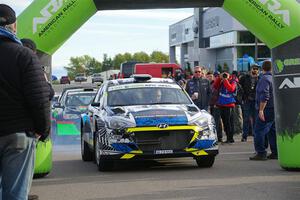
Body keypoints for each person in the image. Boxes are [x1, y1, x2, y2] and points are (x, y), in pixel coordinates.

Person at [0, 4, 51, 200]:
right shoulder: (24, 55)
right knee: (15, 194)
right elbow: (38, 98)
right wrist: (43, 129)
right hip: (19, 134)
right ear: (14, 26)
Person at [249, 60, 277, 160]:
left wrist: (261, 110)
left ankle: (261, 152)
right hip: (274, 108)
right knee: (272, 131)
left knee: (258, 131)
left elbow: (265, 95)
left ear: (262, 68)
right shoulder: (274, 78)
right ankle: (275, 152)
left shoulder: (264, 79)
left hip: (266, 108)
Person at [213, 71, 237, 144]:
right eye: (224, 75)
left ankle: (230, 138)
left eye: (226, 75)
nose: (224, 76)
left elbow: (231, 89)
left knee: (229, 122)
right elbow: (215, 86)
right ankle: (228, 138)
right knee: (225, 122)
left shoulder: (233, 81)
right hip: (221, 105)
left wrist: (226, 80)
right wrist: (219, 78)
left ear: (229, 75)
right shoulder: (221, 81)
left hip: (229, 105)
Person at [239, 64, 260, 142]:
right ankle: (244, 136)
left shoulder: (260, 78)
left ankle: (255, 134)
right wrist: (242, 97)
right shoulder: (245, 77)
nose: (254, 70)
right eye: (253, 69)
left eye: (256, 69)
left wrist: (257, 78)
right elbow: (239, 86)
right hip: (247, 100)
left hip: (256, 100)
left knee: (255, 118)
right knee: (246, 118)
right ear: (250, 69)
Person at [208, 71, 223, 142]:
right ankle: (218, 136)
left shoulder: (218, 84)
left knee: (217, 121)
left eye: (217, 76)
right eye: (214, 76)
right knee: (214, 121)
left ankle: (218, 136)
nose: (215, 77)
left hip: (216, 104)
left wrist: (216, 103)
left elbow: (218, 95)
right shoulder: (209, 84)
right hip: (211, 104)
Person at [231, 71, 243, 136]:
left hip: (236, 102)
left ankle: (239, 130)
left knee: (238, 117)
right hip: (236, 102)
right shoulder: (237, 82)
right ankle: (237, 130)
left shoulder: (236, 83)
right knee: (236, 117)